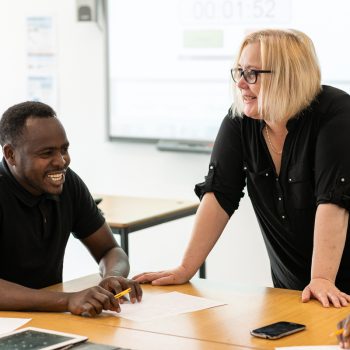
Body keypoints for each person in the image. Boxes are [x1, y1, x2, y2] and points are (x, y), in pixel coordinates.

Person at [133, 28, 350, 308]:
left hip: (336, 288)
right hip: (293, 292)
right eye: (239, 72)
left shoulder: (336, 113)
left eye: (252, 74)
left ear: (289, 75)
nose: (241, 84)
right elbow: (219, 194)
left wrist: (321, 278)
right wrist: (185, 268)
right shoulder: (240, 121)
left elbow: (334, 201)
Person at [0, 101, 142, 316]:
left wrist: (111, 276)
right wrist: (66, 300)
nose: (61, 161)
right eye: (47, 153)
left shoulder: (68, 183)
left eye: (64, 149)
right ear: (11, 155)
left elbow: (110, 250)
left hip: (46, 318)